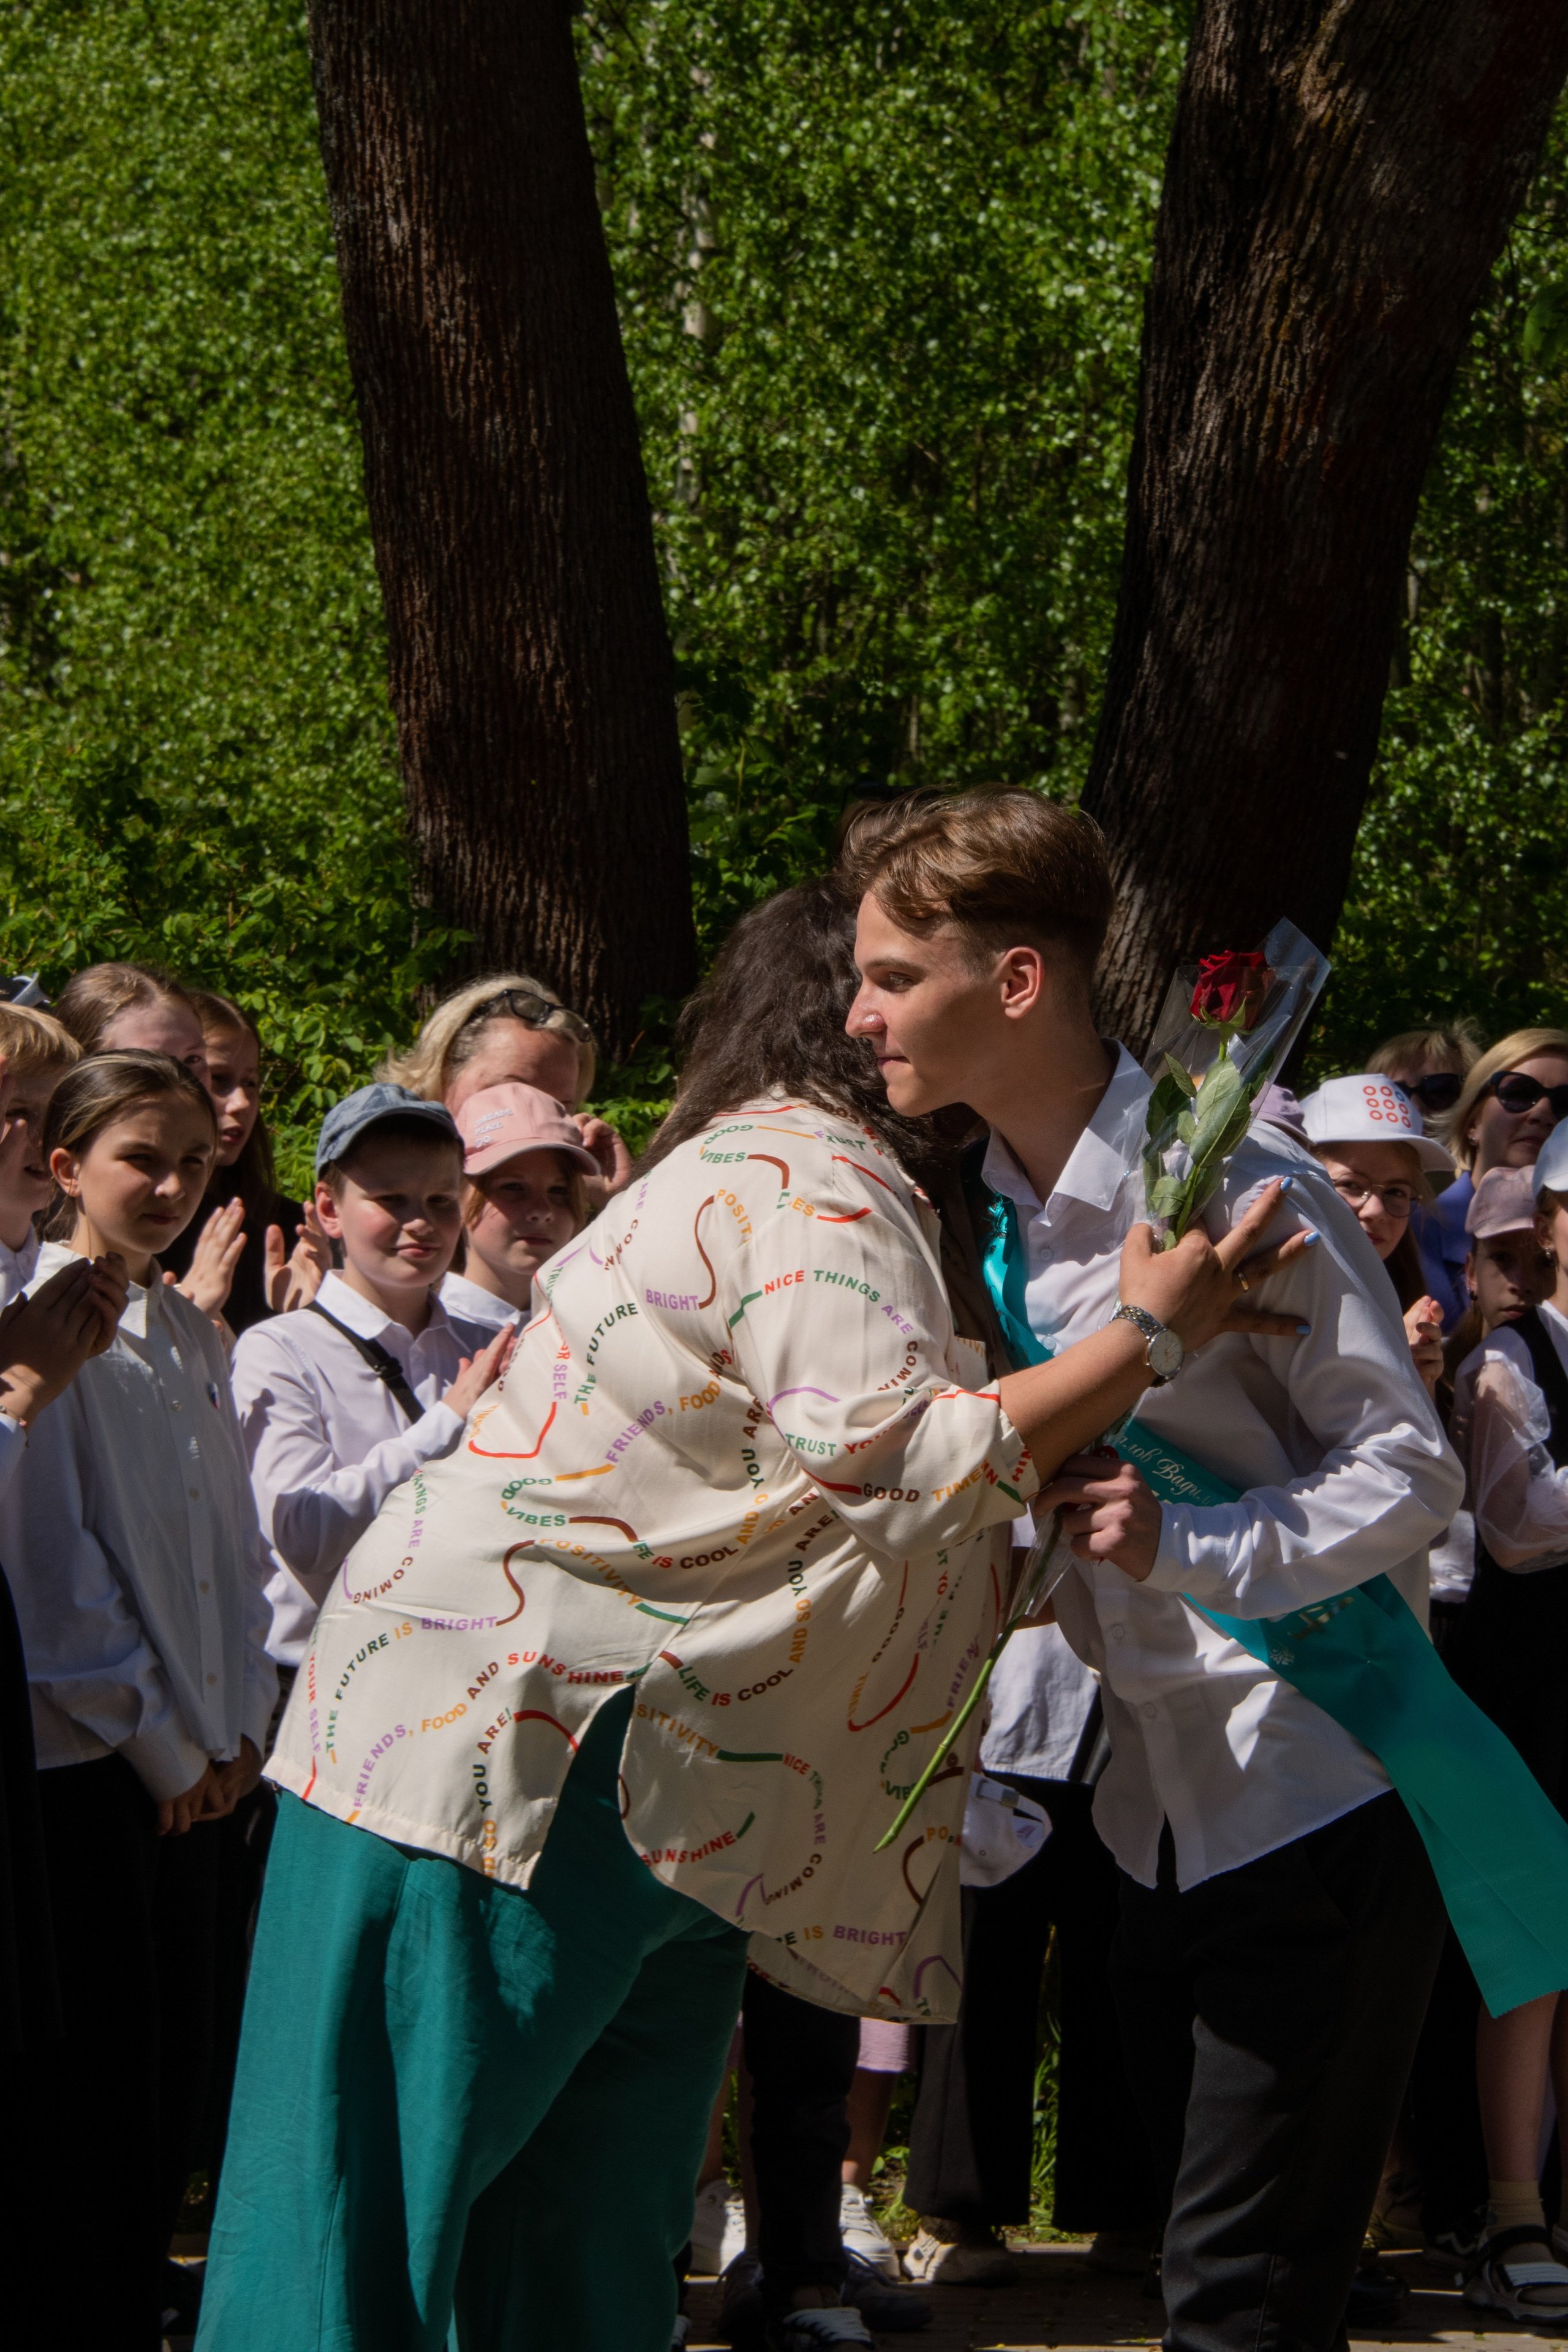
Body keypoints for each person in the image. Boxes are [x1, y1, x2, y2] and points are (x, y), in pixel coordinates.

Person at [197, 883, 1301, 2352]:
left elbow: (850, 1513)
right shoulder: (805, 1174)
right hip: (497, 1756)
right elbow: (895, 1456)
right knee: (363, 2246)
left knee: (581, 2252)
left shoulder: (838, 1184)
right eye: (876, 977)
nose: (876, 1008)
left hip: (661, 1784)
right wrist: (1145, 1335)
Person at [840, 787, 1464, 2352]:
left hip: (1312, 1778)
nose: (858, 1014)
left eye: (892, 976)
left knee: (1239, 2307)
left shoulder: (1243, 1180)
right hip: (1154, 1818)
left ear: (1017, 982)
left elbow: (1409, 1466)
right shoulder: (990, 1210)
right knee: (1206, 2291)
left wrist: (1188, 1544)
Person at [0, 1049, 277, 2350]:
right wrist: (170, 1752)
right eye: (138, 1161)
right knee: (98, 2094)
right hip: (102, 1769)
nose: (170, 1185)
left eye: (191, 1162)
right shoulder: (57, 1321)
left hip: (198, 1766)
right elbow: (65, 1576)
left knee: (173, 2080)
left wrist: (235, 1734)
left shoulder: (181, 1327)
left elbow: (220, 1552)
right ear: (65, 1170)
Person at [901, 1616, 1156, 2285]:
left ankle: (1127, 2210)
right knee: (979, 1978)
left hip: (1137, 1739)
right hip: (1004, 1727)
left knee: (1123, 1980)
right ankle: (956, 2218)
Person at [229, 1084, 512, 1672]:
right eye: (391, 1199)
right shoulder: (279, 1350)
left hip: (455, 1672)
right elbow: (306, 1537)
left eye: (441, 1201)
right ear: (329, 1210)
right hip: (317, 1682)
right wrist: (449, 1422)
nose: (421, 1223)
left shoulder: (486, 1345)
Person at [1442, 1120, 1568, 2321]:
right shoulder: (1511, 1359)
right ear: (1550, 1227)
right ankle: (1511, 2206)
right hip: (1534, 1694)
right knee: (1530, 1953)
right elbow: (1517, 1523)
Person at [160, 990, 330, 1334]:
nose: (240, 1103)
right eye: (219, 1079)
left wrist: (313, 1319)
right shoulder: (143, 1219)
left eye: (250, 1083)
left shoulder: (290, 1227)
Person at [382, 969, 631, 1195]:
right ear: (442, 1071)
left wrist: (614, 1199)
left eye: (557, 1106)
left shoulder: (562, 1227)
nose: (530, 1119)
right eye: (510, 1091)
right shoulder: (365, 1192)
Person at [1298, 1073, 1454, 1397]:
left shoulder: (1407, 1310)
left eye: (1397, 1191)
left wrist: (1416, 1384)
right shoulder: (1249, 1288)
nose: (1375, 1211)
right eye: (1352, 1185)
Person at [1420, 1030, 1568, 1330]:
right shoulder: (1407, 1235)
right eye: (1518, 1093)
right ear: (1473, 1121)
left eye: (1566, 1103)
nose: (1542, 1113)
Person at [442, 1083, 597, 1332]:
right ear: (453, 1196)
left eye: (559, 1191)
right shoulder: (419, 1335)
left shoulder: (586, 1332)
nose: (542, 1210)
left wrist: (620, 1195)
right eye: (512, 1187)